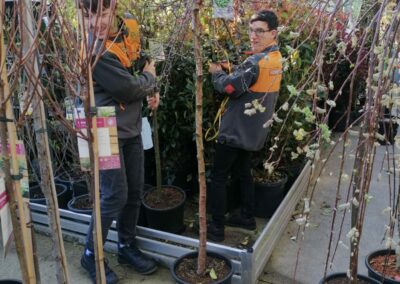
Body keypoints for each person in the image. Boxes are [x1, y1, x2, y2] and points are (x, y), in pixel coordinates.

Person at [80, 1, 160, 283]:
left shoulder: (132, 27)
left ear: (113, 8)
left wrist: (154, 85)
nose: (94, 23)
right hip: (104, 130)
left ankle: (126, 246)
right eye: (87, 16)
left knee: (135, 190)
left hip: (132, 127)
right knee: (114, 195)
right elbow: (127, 90)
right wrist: (149, 79)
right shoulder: (96, 52)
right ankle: (90, 254)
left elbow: (154, 51)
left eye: (100, 13)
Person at [207, 10, 282, 242]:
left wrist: (217, 74)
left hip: (235, 131)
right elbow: (250, 82)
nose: (253, 36)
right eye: (251, 30)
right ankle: (247, 217)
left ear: (273, 33)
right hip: (253, 132)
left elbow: (230, 88)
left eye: (260, 31)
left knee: (218, 176)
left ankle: (217, 228)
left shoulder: (256, 62)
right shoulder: (276, 58)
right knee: (243, 171)